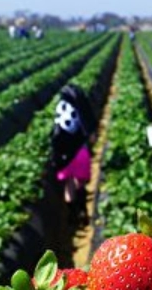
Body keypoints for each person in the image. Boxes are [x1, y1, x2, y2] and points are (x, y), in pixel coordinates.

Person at [50, 84, 97, 227]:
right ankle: (83, 212)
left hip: (64, 154)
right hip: (80, 152)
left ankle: (72, 217)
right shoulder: (81, 109)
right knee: (80, 184)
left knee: (69, 186)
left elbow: (55, 134)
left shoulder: (61, 108)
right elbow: (91, 134)